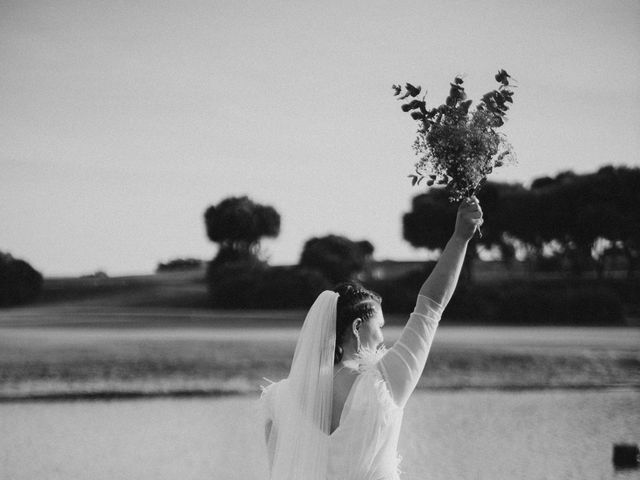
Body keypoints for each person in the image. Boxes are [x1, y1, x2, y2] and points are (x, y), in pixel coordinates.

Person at [258, 197, 483, 480]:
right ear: (356, 327)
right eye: (380, 326)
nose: (382, 338)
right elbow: (431, 306)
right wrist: (460, 238)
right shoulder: (384, 383)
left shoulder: (280, 399)